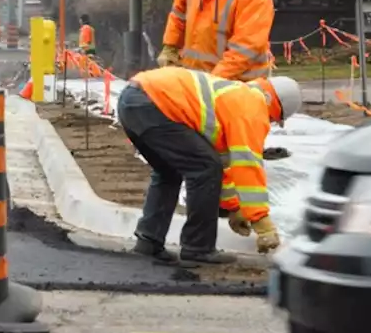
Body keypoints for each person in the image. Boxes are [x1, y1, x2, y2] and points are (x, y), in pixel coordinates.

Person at [116, 66, 300, 264]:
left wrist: (234, 208)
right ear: (275, 106)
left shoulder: (237, 95)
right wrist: (261, 222)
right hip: (155, 103)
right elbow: (247, 165)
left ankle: (148, 242)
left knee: (169, 172)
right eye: (274, 119)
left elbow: (223, 165)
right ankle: (198, 247)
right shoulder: (253, 109)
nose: (270, 123)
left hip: (134, 99)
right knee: (204, 169)